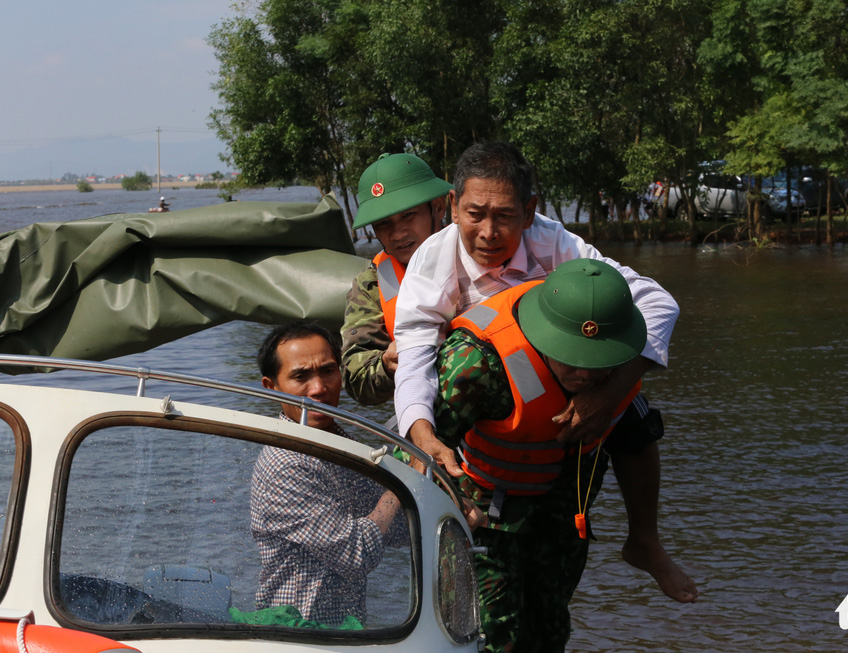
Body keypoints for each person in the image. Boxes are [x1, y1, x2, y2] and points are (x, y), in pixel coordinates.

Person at [393, 141, 697, 604]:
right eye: (475, 214)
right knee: (421, 425)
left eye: (506, 216)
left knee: (635, 414)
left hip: (567, 373)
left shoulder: (558, 243)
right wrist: (421, 432)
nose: (489, 233)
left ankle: (645, 541)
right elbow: (415, 355)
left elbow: (657, 303)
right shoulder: (433, 261)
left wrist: (610, 391)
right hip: (485, 381)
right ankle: (391, 522)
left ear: (530, 211)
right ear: (452, 206)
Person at [432, 259, 668, 651]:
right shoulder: (477, 365)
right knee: (490, 634)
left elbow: (638, 440)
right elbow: (421, 448)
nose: (585, 375)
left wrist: (646, 538)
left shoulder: (621, 369)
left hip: (560, 520)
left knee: (550, 629)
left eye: (597, 363)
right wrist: (452, 500)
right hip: (484, 521)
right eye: (572, 357)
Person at [250, 321, 404, 626]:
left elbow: (393, 527)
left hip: (338, 630)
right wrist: (404, 480)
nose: (319, 388)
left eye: (328, 371)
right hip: (297, 633)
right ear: (272, 387)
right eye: (300, 376)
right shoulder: (286, 463)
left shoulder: (336, 443)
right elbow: (356, 553)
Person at [341, 152, 451, 406]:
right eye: (383, 224)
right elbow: (355, 378)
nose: (398, 233)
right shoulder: (372, 284)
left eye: (407, 216)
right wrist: (386, 365)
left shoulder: (483, 250)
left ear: (438, 207)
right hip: (431, 418)